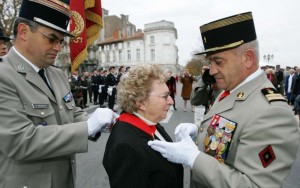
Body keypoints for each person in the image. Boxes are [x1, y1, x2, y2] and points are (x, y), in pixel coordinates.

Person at [148, 12, 299, 188]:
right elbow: (233, 132)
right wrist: (199, 131)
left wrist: (194, 158)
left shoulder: (272, 112)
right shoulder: (231, 90)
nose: (211, 71)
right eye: (210, 62)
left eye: (218, 62)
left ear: (247, 59)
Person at [0, 0, 118, 187]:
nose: (58, 47)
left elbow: (71, 113)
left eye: (61, 41)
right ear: (23, 31)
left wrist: (97, 122)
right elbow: (21, 140)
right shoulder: (4, 76)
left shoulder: (55, 73)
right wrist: (86, 128)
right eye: (51, 38)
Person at [103, 64, 183, 188]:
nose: (171, 101)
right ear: (141, 103)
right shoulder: (126, 147)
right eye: (165, 96)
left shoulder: (149, 120)